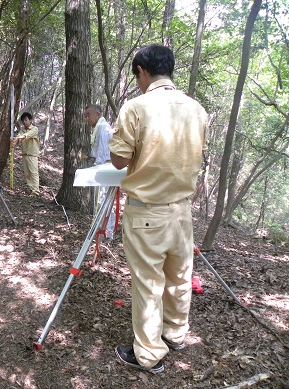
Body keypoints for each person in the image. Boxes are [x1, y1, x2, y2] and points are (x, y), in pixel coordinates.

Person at [108, 44, 208, 374]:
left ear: (142, 71)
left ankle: (150, 354)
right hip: (181, 211)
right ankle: (175, 334)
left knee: (149, 284)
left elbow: (120, 160)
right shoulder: (197, 110)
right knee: (179, 278)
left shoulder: (137, 107)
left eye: (136, 75)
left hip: (147, 211)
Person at [84, 104, 115, 239]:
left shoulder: (102, 128)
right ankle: (103, 229)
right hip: (106, 167)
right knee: (103, 200)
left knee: (103, 200)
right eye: (86, 116)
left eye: (89, 115)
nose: (87, 118)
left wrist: (96, 170)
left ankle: (106, 231)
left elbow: (102, 153)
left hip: (106, 168)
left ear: (98, 114)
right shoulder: (100, 128)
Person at [10, 112, 40, 196]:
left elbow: (26, 135)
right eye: (23, 120)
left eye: (26, 120)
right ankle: (31, 189)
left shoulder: (34, 129)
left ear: (30, 120)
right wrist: (14, 141)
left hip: (32, 155)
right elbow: (18, 140)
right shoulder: (22, 131)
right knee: (27, 174)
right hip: (24, 154)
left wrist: (18, 137)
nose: (24, 122)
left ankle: (36, 192)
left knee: (33, 173)